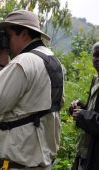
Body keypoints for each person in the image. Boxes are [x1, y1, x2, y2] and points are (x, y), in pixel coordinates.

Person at [0, 10, 64, 170]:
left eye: (8, 36)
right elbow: (17, 102)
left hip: (17, 165)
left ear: (24, 34)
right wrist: (3, 64)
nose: (5, 42)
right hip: (39, 163)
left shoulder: (24, 61)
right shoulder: (51, 59)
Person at [69, 42, 99, 170]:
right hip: (85, 152)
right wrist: (79, 108)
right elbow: (93, 111)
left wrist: (84, 115)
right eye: (95, 55)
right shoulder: (95, 80)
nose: (97, 59)